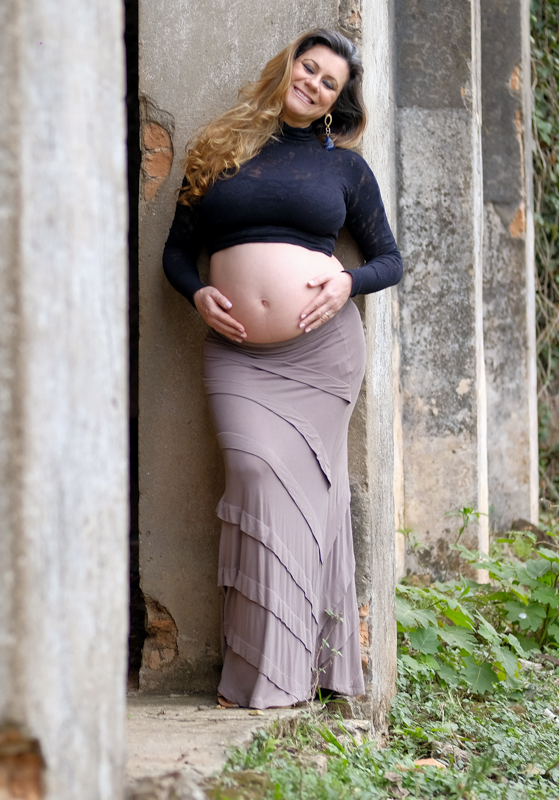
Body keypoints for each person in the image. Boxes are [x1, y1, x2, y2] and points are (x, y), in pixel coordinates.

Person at [162, 28, 402, 709]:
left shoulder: (346, 169)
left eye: (330, 83)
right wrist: (197, 293)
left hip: (321, 359)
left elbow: (389, 260)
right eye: (310, 67)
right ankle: (262, 668)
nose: (314, 84)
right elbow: (176, 252)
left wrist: (346, 283)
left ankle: (286, 676)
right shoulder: (218, 146)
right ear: (289, 64)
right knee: (254, 472)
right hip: (237, 353)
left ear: (336, 102)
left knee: (304, 503)